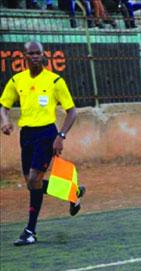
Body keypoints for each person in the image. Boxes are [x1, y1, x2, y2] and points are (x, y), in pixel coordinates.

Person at [0, 41, 86, 246]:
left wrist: (61, 136)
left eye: (37, 53)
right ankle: (72, 193)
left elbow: (72, 111)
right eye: (30, 54)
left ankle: (30, 231)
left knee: (33, 178)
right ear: (24, 56)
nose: (34, 56)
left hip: (47, 134)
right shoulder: (16, 80)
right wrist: (5, 121)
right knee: (32, 183)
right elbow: (3, 106)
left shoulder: (55, 81)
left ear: (43, 55)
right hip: (26, 135)